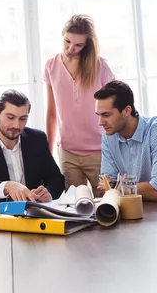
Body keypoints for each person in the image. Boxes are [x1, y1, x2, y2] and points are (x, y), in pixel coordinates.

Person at [94, 80, 157, 214]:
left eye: (106, 115)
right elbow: (105, 186)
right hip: (136, 214)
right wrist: (148, 195)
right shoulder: (108, 137)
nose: (100, 123)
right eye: (98, 115)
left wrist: (115, 187)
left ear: (126, 111)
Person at [43, 14, 115, 193]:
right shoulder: (51, 66)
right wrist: (47, 153)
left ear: (87, 45)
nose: (70, 48)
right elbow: (52, 112)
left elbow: (115, 111)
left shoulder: (100, 67)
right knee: (76, 208)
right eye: (67, 41)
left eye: (78, 45)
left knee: (108, 206)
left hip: (100, 151)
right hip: (68, 153)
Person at [0, 89, 65, 204]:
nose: (16, 125)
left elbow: (56, 179)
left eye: (23, 119)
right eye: (10, 117)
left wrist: (49, 192)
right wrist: (7, 186)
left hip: (33, 212)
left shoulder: (37, 139)